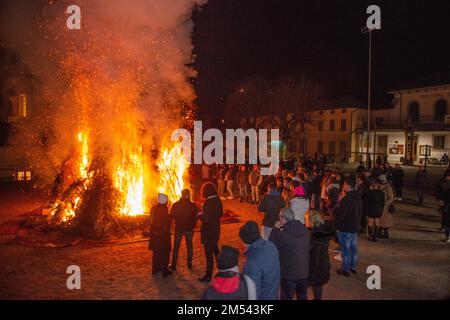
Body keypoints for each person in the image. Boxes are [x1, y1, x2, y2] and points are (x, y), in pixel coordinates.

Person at [269, 208, 310, 300]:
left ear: (283, 218)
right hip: (304, 271)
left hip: (289, 273)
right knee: (302, 296)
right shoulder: (305, 230)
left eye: (279, 217)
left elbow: (272, 244)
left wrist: (275, 229)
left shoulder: (285, 234)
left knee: (286, 296)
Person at [239, 221, 280, 300]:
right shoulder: (271, 246)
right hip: (273, 294)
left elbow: (253, 294)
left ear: (245, 241)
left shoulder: (252, 263)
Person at [334, 175, 363, 277]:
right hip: (355, 227)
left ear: (347, 185)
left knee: (345, 249)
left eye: (344, 184)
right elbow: (360, 212)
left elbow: (341, 215)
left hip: (345, 228)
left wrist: (336, 226)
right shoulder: (358, 197)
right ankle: (352, 266)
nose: (343, 186)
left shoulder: (346, 199)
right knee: (353, 248)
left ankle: (345, 269)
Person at [198, 183, 223, 282]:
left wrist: (199, 214)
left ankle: (208, 275)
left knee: (209, 255)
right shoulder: (217, 200)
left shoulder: (207, 203)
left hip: (208, 232)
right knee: (215, 249)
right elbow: (220, 214)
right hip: (216, 229)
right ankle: (223, 267)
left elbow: (206, 220)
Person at [169, 189, 198, 271]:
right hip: (189, 229)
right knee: (189, 246)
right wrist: (192, 225)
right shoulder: (192, 205)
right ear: (188, 195)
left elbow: (171, 217)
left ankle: (174, 265)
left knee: (176, 247)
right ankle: (189, 263)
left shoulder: (175, 205)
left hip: (179, 228)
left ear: (181, 195)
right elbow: (195, 218)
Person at [308, 209, 332, 300]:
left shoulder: (314, 236)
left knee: (309, 283)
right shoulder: (324, 231)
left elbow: (309, 249)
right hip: (324, 262)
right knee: (318, 285)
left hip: (314, 264)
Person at [149, 193, 172, 278]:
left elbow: (151, 220)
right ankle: (164, 270)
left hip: (154, 234)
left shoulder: (153, 208)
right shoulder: (164, 209)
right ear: (165, 201)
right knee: (165, 252)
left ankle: (155, 269)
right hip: (163, 235)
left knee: (156, 252)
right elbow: (167, 222)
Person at [378, 174, 395, 239]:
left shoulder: (388, 187)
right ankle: (379, 232)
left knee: (385, 221)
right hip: (380, 206)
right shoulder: (380, 186)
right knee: (380, 219)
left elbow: (391, 197)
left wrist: (385, 204)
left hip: (385, 207)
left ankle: (385, 233)